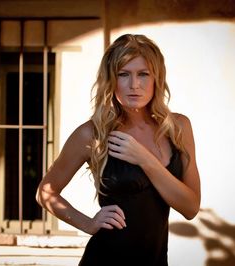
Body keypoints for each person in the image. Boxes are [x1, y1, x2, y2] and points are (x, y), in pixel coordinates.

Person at [36, 34, 201, 265]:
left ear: (156, 78)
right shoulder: (92, 134)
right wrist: (87, 223)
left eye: (143, 74)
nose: (134, 85)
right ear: (111, 80)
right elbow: (46, 192)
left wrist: (146, 160)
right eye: (123, 74)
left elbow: (191, 207)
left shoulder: (178, 128)